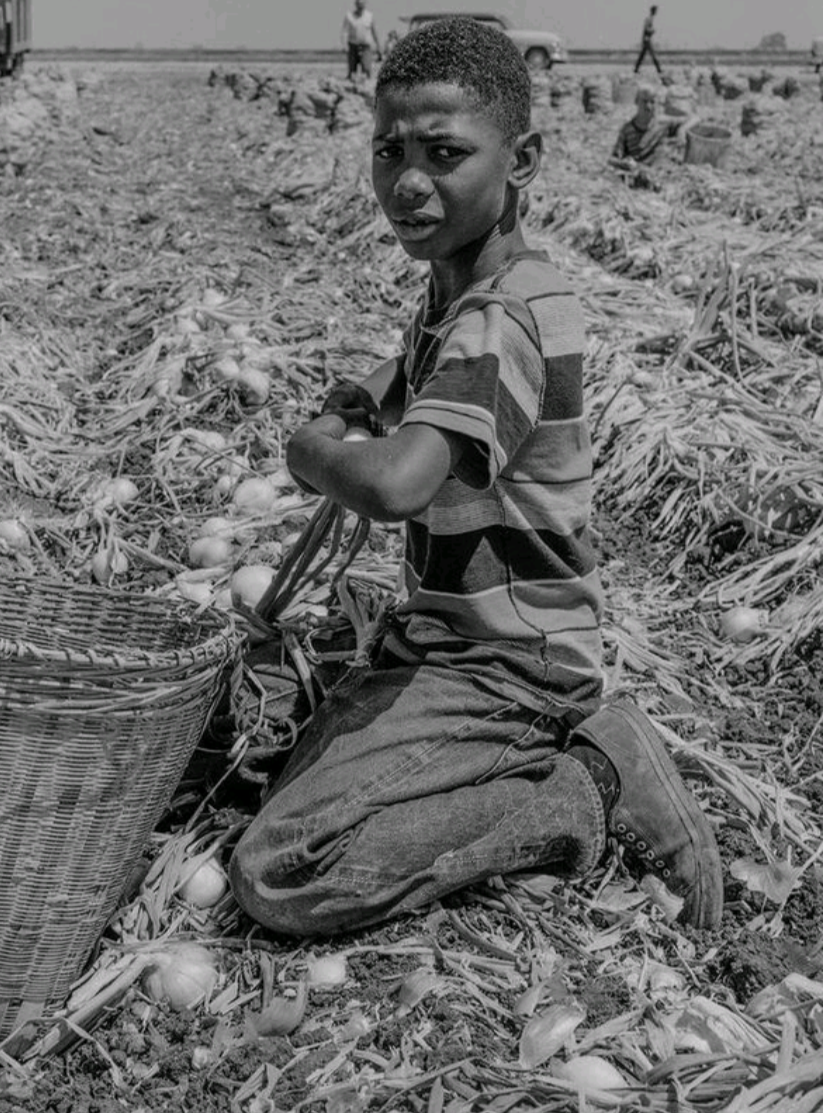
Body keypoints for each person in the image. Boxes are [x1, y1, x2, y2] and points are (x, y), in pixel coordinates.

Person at [229, 17, 722, 939]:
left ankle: (586, 788)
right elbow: (415, 372)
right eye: (389, 151)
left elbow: (397, 487)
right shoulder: (470, 291)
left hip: (509, 663)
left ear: (522, 158)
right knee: (279, 776)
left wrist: (311, 452)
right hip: (452, 640)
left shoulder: (501, 318)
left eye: (445, 153)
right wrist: (364, 392)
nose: (408, 182)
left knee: (281, 869)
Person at [341, 0, 381, 82]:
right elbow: (344, 32)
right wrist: (344, 45)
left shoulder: (370, 16)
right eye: (359, 4)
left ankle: (368, 88)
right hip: (352, 46)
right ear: (356, 4)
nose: (361, 6)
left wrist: (378, 47)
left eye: (362, 4)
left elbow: (375, 32)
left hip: (366, 47)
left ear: (365, 4)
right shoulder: (349, 16)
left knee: (366, 70)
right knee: (352, 72)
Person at [634, 6, 662, 75]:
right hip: (647, 40)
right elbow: (646, 29)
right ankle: (659, 70)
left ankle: (636, 69)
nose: (656, 12)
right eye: (655, 11)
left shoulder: (650, 19)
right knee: (653, 55)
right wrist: (652, 31)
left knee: (642, 55)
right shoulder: (649, 19)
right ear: (653, 11)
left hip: (647, 40)